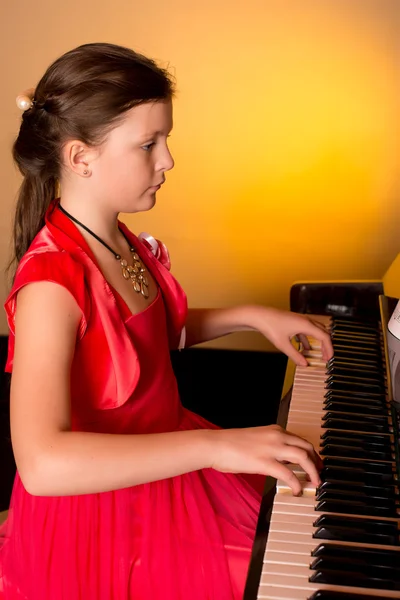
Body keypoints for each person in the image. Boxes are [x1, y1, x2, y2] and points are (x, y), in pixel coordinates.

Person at [0, 42, 333, 600]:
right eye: (149, 144)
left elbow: (135, 339)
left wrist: (250, 317)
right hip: (105, 517)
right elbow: (42, 465)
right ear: (82, 158)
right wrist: (216, 448)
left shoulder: (113, 237)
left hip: (166, 467)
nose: (168, 160)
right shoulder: (50, 285)